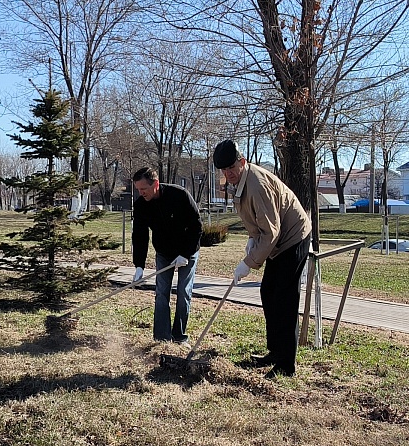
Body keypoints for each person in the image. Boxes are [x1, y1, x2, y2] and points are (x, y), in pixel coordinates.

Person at [213, 138, 311, 377]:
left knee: (285, 299)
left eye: (231, 168)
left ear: (242, 162)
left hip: (293, 238)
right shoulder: (239, 182)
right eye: (224, 170)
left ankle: (286, 365)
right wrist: (251, 238)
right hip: (277, 240)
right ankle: (275, 352)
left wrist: (248, 263)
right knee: (268, 291)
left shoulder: (257, 185)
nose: (228, 174)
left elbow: (271, 232)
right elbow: (255, 220)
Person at [131, 166, 202, 343]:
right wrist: (139, 265)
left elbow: (197, 226)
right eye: (138, 190)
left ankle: (179, 337)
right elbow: (139, 235)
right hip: (164, 252)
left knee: (183, 292)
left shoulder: (179, 195)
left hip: (187, 251)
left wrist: (185, 254)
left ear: (155, 184)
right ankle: (161, 338)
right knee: (161, 293)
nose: (141, 193)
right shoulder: (141, 205)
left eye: (144, 189)